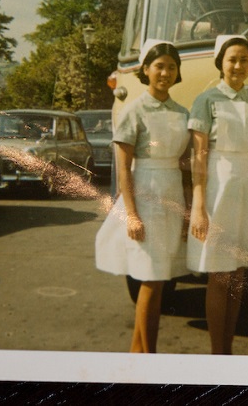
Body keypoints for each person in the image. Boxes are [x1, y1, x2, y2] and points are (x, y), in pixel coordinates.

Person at [94, 40, 190, 353]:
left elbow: (186, 164)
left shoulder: (182, 112)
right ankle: (150, 357)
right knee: (150, 278)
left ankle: (138, 353)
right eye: (158, 66)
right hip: (146, 196)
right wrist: (132, 215)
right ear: (146, 70)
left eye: (171, 67)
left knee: (160, 278)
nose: (164, 72)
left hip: (172, 193)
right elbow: (124, 170)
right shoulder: (134, 110)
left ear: (177, 73)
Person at [187, 35, 248, 354]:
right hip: (217, 187)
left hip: (247, 190)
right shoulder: (205, 100)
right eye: (232, 59)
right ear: (221, 62)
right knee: (219, 274)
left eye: (244, 60)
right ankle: (216, 352)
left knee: (238, 275)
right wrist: (199, 205)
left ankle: (228, 349)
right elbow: (199, 156)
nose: (237, 65)